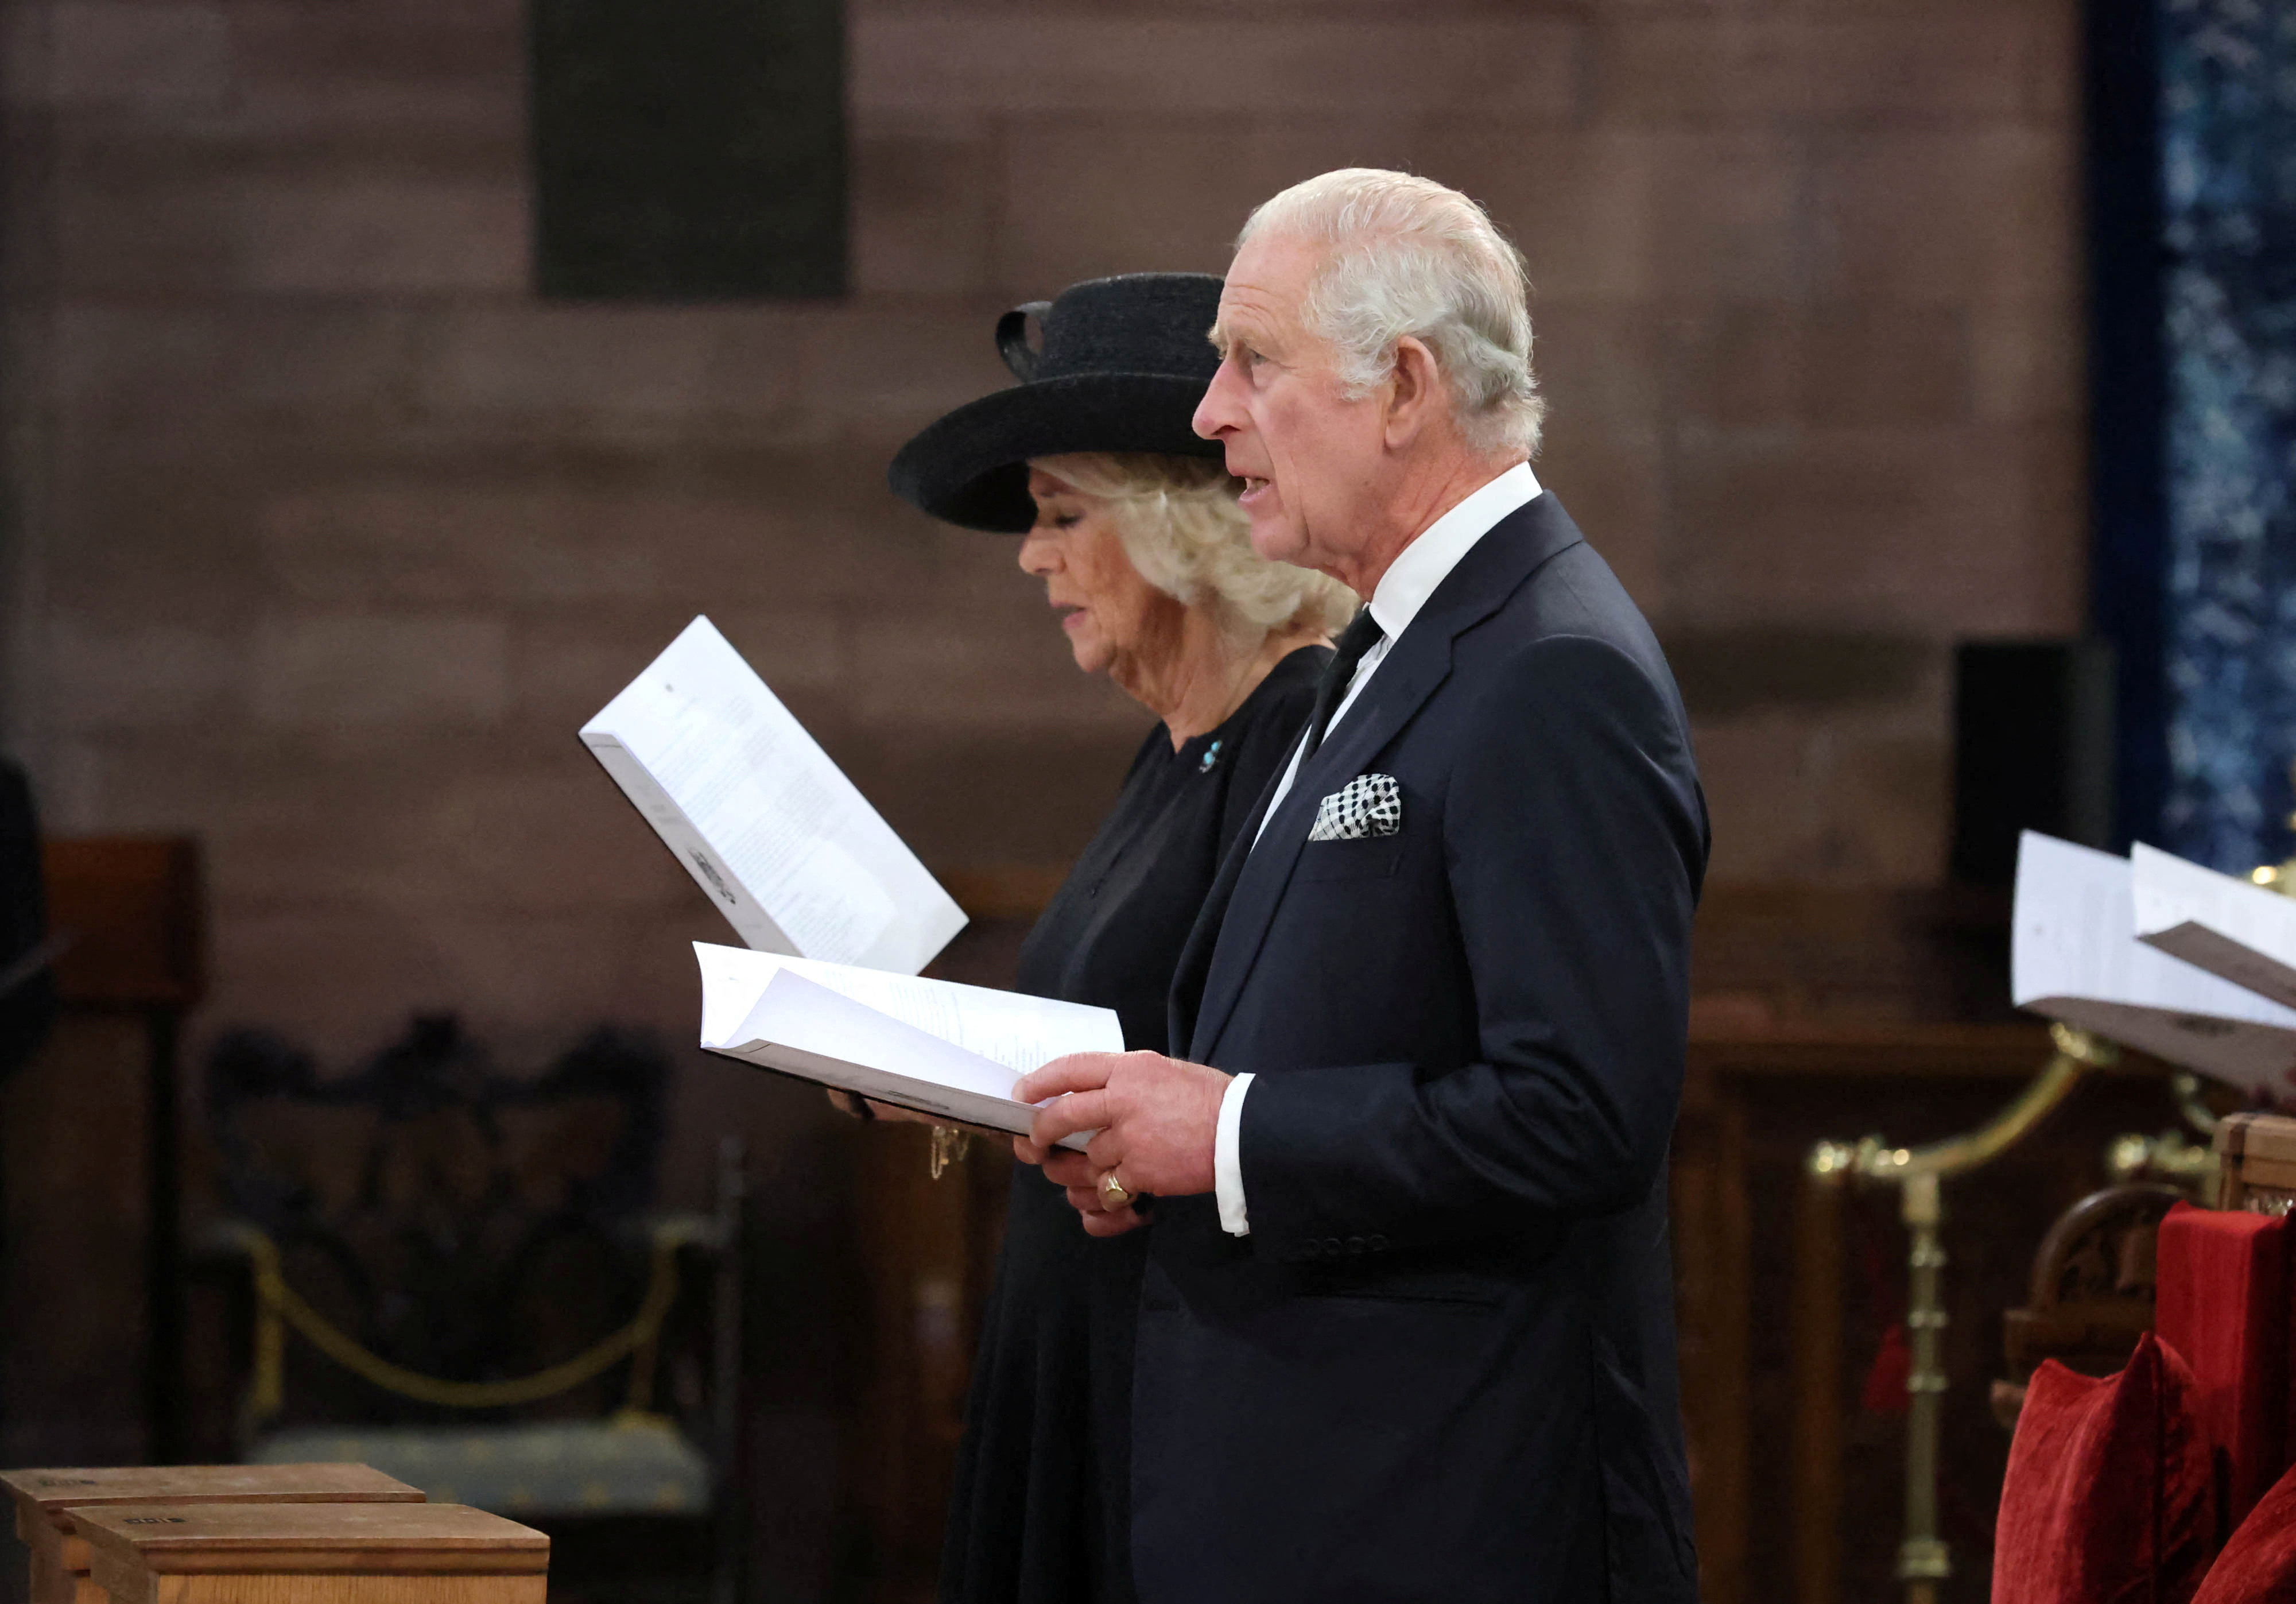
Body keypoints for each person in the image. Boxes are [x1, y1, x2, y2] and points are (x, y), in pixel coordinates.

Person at [1011, 172, 1711, 1601]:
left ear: (1401, 386)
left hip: (1439, 1514)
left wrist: (1227, 1134)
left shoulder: (1548, 666)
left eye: (1251, 363)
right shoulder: (1410, 636)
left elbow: (1580, 1112)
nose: (1211, 414)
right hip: (1311, 1497)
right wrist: (1158, 1150)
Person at [878, 271, 1356, 1604]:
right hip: (1075, 1336)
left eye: (1058, 515)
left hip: (1176, 1370)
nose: (1032, 560)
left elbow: (1260, 1077)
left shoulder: (1294, 741)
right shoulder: (1174, 751)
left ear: (1176, 528)